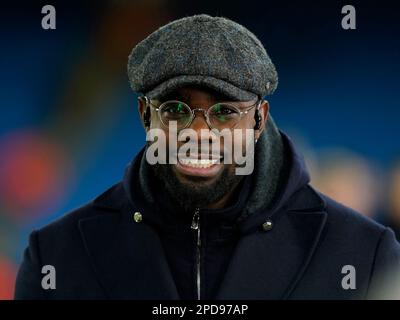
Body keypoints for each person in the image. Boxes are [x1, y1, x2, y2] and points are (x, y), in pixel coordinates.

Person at [15, 14, 400, 300]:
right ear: (145, 114)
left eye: (225, 112)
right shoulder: (58, 256)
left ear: (259, 119)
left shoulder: (363, 253)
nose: (199, 134)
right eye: (177, 111)